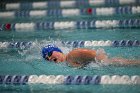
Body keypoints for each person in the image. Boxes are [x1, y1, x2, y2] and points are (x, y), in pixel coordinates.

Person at [42, 44, 140, 67]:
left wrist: (105, 62)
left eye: (50, 54)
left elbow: (95, 54)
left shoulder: (72, 54)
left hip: (104, 62)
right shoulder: (68, 61)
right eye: (47, 59)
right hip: (101, 64)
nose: (50, 58)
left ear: (58, 51)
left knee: (130, 63)